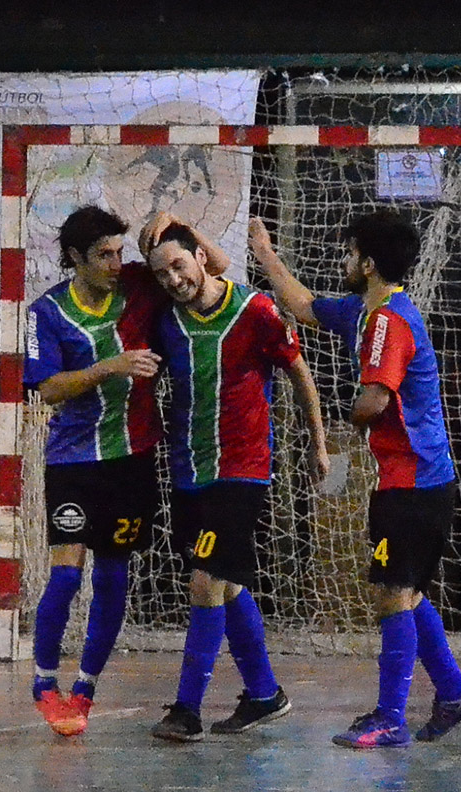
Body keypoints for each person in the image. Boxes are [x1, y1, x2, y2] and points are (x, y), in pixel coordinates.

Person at [249, 211, 461, 749]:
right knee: (403, 592)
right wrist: (262, 249)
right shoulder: (365, 309)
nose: (343, 261)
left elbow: (375, 402)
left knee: (391, 594)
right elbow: (303, 305)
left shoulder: (387, 322)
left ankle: (389, 717)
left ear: (369, 262)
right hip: (409, 480)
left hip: (414, 482)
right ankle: (454, 692)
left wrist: (332, 422)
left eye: (349, 252)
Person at [23, 206, 229, 737]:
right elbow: (46, 389)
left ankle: (86, 688)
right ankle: (44, 681)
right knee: (67, 575)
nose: (117, 263)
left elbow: (220, 268)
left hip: (133, 459)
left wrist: (182, 222)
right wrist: (109, 367)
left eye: (119, 252)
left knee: (115, 577)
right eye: (104, 256)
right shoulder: (44, 313)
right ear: (74, 259)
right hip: (73, 461)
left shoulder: (138, 285)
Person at [147, 223, 330, 742]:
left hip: (242, 467)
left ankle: (186, 708)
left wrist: (318, 442)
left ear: (203, 257)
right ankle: (264, 693)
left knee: (205, 582)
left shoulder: (255, 311)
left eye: (180, 265)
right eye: (162, 273)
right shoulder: (166, 322)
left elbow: (298, 372)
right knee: (226, 583)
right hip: (188, 468)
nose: (173, 279)